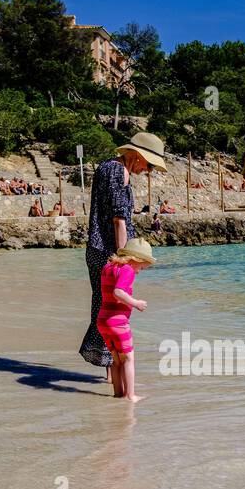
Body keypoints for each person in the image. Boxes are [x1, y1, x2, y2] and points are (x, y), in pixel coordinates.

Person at [81, 131, 166, 368]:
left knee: (103, 307)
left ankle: (110, 371)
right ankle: (113, 368)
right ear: (138, 155)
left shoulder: (107, 167)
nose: (148, 171)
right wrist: (123, 258)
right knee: (113, 309)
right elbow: (119, 220)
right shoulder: (120, 172)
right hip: (109, 251)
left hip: (97, 248)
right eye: (149, 165)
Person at [97, 238, 155, 402]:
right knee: (129, 358)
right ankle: (131, 395)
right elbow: (118, 292)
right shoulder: (127, 269)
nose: (139, 271)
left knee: (116, 360)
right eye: (142, 266)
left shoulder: (108, 267)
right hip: (118, 322)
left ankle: (119, 393)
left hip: (103, 321)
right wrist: (136, 303)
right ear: (136, 259)